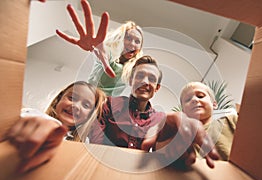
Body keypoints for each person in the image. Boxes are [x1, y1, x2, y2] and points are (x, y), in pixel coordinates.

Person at [90, 55, 220, 168]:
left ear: (157, 87)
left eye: (152, 79)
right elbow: (95, 146)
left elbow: (160, 153)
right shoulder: (108, 104)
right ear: (131, 81)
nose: (145, 82)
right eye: (140, 76)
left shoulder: (161, 120)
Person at [2, 81, 106, 173]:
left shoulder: (85, 143)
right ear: (58, 100)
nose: (76, 106)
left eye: (86, 105)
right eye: (72, 98)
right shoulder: (35, 115)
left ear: (89, 116)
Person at [56, 0, 143, 96]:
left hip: (107, 107)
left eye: (137, 41)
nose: (132, 44)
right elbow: (105, 54)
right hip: (88, 97)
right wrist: (96, 50)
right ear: (120, 39)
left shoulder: (134, 69)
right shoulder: (108, 53)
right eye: (128, 38)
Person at [179, 81, 238, 160]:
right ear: (183, 111)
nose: (194, 100)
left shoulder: (231, 120)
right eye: (188, 99)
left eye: (200, 96)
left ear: (214, 104)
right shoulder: (182, 137)